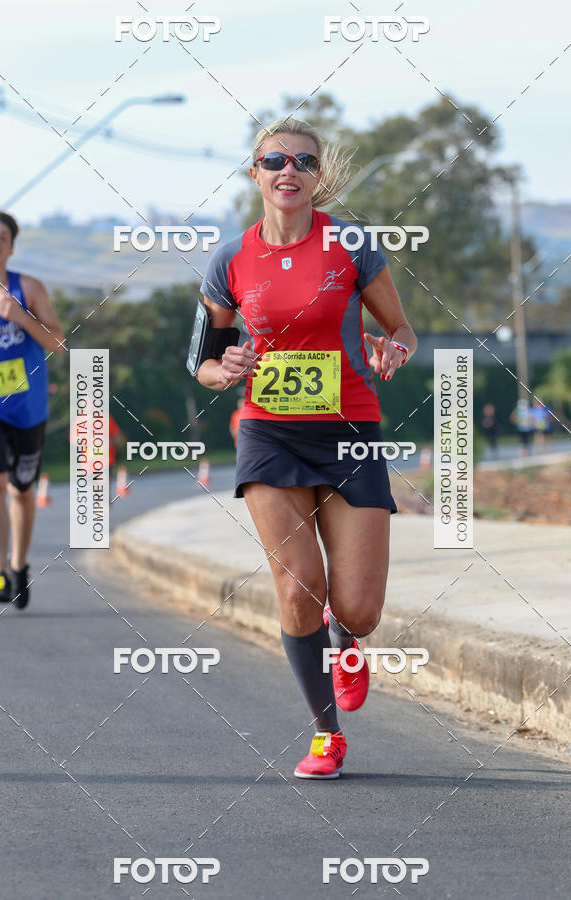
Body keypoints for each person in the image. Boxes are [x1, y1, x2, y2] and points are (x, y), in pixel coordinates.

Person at [194, 118, 416, 779]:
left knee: (358, 609)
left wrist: (394, 346)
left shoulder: (351, 244)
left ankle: (346, 640)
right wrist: (222, 370)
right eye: (274, 160)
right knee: (297, 592)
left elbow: (399, 326)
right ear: (255, 173)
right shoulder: (230, 258)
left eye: (303, 161)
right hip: (269, 433)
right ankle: (326, 734)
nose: (288, 169)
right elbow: (203, 358)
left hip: (349, 430)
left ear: (318, 177)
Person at [0, 210, 65, 607]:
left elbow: (58, 342)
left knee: (22, 490)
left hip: (27, 408)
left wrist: (21, 318)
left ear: (11, 246)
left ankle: (19, 566)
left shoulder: (29, 288)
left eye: (3, 235)